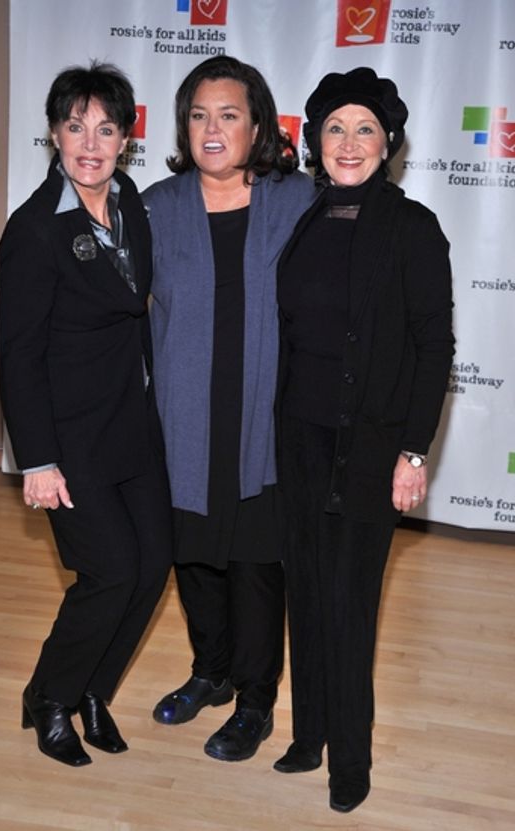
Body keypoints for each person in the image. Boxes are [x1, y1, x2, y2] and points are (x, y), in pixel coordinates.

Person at [274, 67, 454, 811]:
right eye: (336, 128)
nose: (349, 143)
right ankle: (308, 732)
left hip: (372, 448)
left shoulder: (411, 228)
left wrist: (415, 453)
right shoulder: (303, 214)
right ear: (316, 140)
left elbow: (432, 346)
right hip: (299, 438)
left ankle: (352, 759)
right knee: (307, 591)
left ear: (390, 145)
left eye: (366, 130)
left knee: (350, 603)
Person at [0, 62, 172, 767]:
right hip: (69, 440)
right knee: (110, 573)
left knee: (154, 562)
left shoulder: (130, 199)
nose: (90, 143)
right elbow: (16, 354)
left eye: (105, 128)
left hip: (132, 425)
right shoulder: (35, 230)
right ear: (54, 134)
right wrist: (36, 459)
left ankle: (96, 689)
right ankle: (49, 695)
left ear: (126, 139)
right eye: (75, 127)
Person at [143, 56, 315, 763]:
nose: (212, 128)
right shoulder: (153, 205)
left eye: (230, 114)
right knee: (195, 561)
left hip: (265, 423)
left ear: (258, 125)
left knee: (253, 565)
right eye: (198, 114)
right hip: (182, 421)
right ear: (185, 125)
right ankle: (209, 671)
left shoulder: (299, 198)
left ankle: (254, 699)